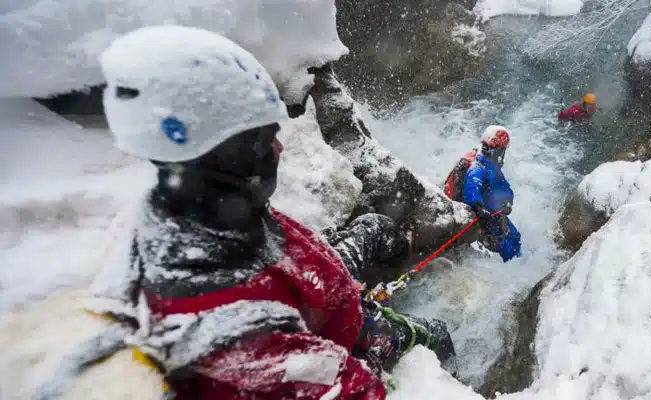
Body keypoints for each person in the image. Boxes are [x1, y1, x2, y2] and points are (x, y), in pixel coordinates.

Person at [87, 25, 451, 400]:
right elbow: (354, 391)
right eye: (261, 139)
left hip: (327, 300)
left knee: (376, 227)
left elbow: (277, 264)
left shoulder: (197, 211)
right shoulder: (242, 343)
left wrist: (332, 291)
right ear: (223, 157)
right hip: (348, 337)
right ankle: (447, 374)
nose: (278, 147)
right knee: (432, 334)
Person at [462, 125, 522, 262]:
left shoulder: (492, 166)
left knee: (515, 237)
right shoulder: (478, 168)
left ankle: (518, 262)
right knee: (506, 246)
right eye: (501, 150)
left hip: (495, 213)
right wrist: (479, 208)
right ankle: (511, 270)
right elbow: (471, 189)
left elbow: (505, 187)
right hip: (485, 218)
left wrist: (508, 201)